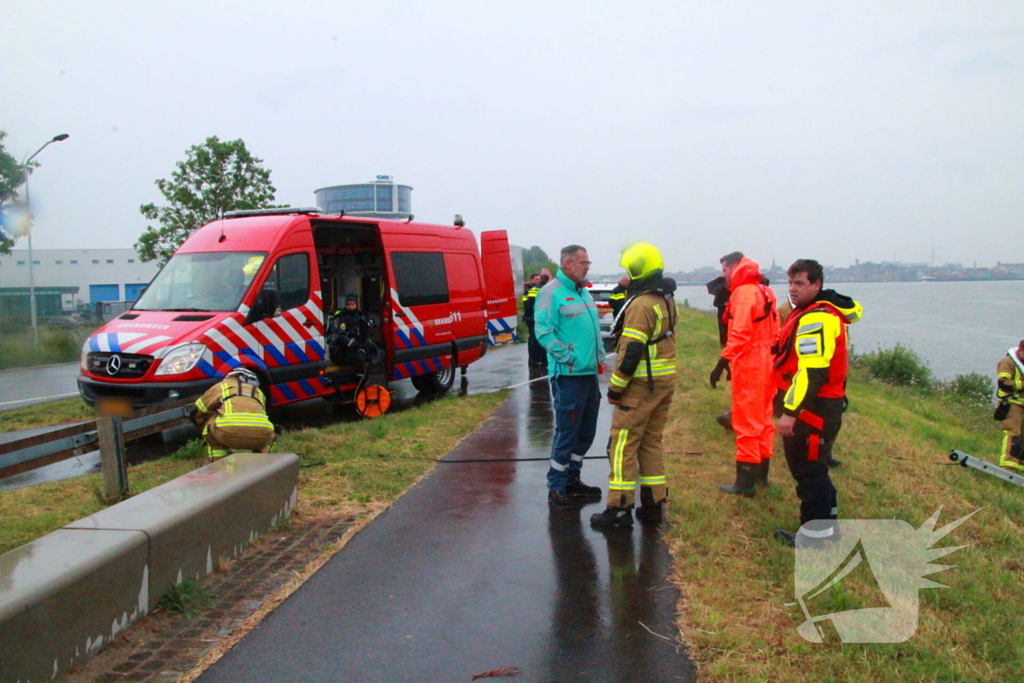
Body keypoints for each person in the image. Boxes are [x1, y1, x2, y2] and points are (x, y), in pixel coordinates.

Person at [772, 259, 863, 547]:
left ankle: (815, 537)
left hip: (813, 410)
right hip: (819, 406)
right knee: (814, 469)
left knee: (809, 472)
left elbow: (812, 372)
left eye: (800, 283)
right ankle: (825, 528)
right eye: (790, 283)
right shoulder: (814, 312)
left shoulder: (817, 318)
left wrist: (790, 412)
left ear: (817, 285)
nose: (792, 289)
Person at [590, 244, 677, 528]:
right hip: (662, 384)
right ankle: (653, 504)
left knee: (621, 446)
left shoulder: (641, 304)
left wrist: (615, 388)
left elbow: (630, 352)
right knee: (650, 442)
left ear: (638, 269)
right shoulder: (664, 299)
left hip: (640, 386)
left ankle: (619, 508)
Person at [535, 245, 606, 510]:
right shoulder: (550, 293)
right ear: (567, 264)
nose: (587, 266)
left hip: (588, 376)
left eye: (588, 261)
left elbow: (593, 330)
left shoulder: (583, 291)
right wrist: (570, 358)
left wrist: (598, 356)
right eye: (583, 262)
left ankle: (573, 479)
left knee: (586, 433)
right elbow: (544, 332)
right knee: (567, 432)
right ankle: (556, 486)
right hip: (568, 377)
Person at [712, 252, 779, 496]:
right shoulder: (765, 290)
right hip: (767, 362)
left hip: (750, 363)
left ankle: (744, 483)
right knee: (764, 420)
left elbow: (740, 333)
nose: (724, 277)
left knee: (746, 421)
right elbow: (775, 330)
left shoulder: (743, 293)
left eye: (725, 271)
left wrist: (723, 360)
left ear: (734, 268)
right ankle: (762, 475)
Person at [193, 367, 275, 460]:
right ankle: (261, 462)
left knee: (209, 425)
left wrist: (199, 423)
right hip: (261, 435)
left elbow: (199, 409)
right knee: (269, 434)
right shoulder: (258, 392)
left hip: (228, 433)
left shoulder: (221, 386)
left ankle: (219, 463)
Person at [326, 294, 380, 366]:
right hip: (341, 351)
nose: (350, 306)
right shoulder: (340, 317)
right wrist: (350, 342)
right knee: (359, 358)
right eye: (348, 304)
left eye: (352, 304)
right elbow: (334, 337)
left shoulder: (360, 316)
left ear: (356, 304)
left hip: (355, 347)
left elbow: (367, 333)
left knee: (376, 351)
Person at [995, 340, 1024, 472]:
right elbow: (1003, 383)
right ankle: (1008, 467)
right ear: (1020, 350)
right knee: (1014, 435)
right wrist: (1021, 384)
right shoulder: (1008, 362)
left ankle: (1020, 467)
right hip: (1012, 404)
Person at [523, 274, 547, 367]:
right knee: (534, 339)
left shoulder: (532, 290)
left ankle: (536, 359)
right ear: (531, 280)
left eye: (539, 279)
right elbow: (526, 304)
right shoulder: (529, 291)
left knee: (535, 339)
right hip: (532, 317)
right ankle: (534, 359)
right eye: (536, 279)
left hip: (533, 317)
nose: (537, 281)